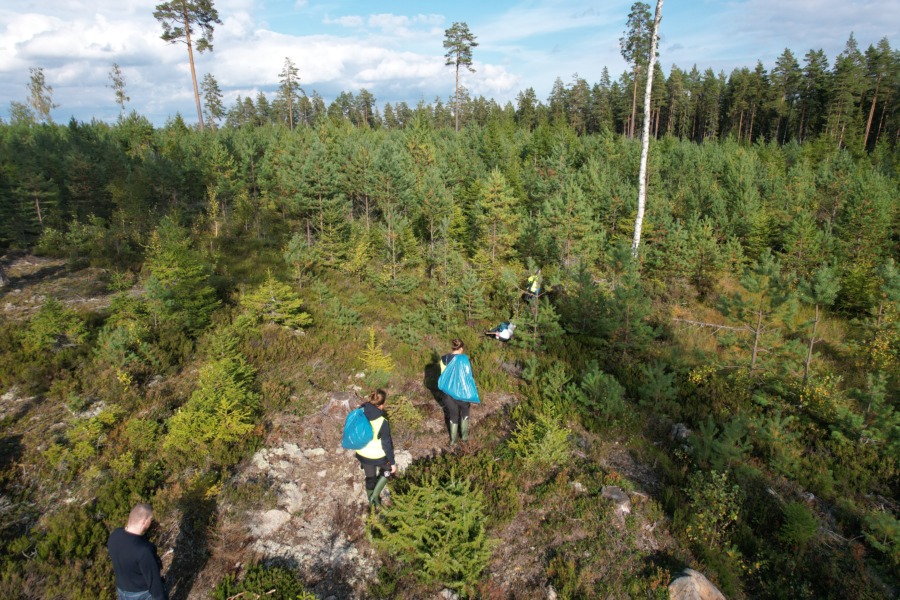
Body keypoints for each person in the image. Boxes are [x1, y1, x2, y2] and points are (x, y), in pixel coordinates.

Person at [107, 503, 168, 600]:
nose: (151, 522)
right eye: (150, 520)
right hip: (141, 594)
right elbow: (154, 582)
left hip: (121, 591)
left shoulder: (114, 535)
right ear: (144, 522)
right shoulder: (144, 550)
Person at [354, 389, 397, 507]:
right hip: (377, 455)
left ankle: (372, 503)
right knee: (387, 471)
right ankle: (374, 496)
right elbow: (386, 444)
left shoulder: (359, 412)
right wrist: (392, 463)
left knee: (370, 478)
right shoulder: (382, 420)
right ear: (382, 404)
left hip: (362, 453)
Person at [439, 338, 478, 445]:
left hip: (447, 394)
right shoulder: (465, 360)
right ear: (460, 349)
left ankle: (453, 441)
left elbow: (443, 376)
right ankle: (464, 439)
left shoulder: (443, 359)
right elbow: (469, 377)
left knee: (453, 415)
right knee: (465, 411)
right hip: (461, 393)